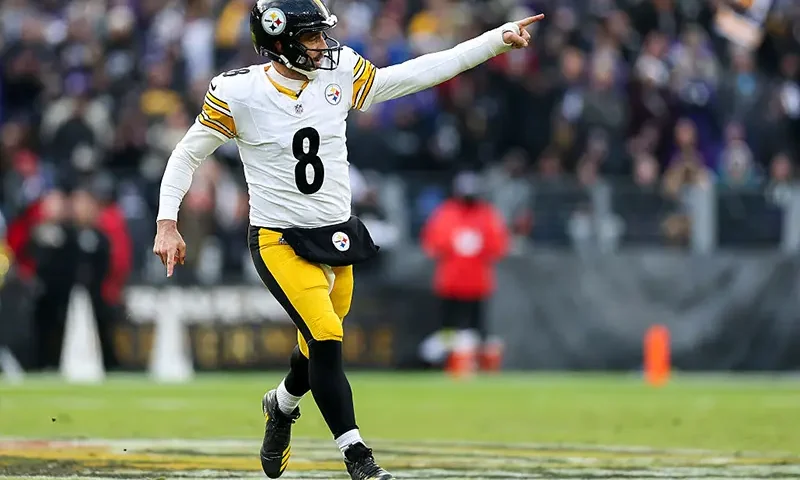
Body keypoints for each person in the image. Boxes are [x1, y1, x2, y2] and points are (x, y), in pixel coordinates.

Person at [152, 1, 543, 478]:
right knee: (327, 335)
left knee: (317, 343)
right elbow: (187, 153)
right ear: (280, 42)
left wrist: (493, 41)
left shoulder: (339, 74)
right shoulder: (239, 93)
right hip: (280, 238)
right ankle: (358, 456)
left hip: (337, 233)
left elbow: (418, 73)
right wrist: (166, 222)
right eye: (311, 37)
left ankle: (280, 404)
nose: (323, 45)